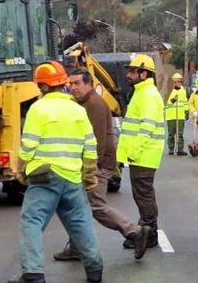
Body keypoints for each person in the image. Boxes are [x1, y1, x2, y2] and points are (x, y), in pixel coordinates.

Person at [7, 61, 103, 283]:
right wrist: (89, 176)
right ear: (63, 84)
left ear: (42, 86)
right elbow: (90, 147)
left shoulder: (38, 109)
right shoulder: (78, 110)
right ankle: (95, 269)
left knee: (32, 221)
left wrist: (20, 169)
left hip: (44, 177)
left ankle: (33, 274)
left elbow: (28, 146)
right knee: (80, 222)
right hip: (72, 177)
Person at [53, 68, 150, 263]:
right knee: (77, 205)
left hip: (99, 164)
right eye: (70, 84)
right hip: (88, 163)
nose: (73, 87)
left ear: (88, 84)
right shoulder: (81, 103)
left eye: (77, 83)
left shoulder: (94, 104)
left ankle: (135, 232)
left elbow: (97, 140)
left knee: (95, 206)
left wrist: (91, 168)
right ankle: (76, 247)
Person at [117, 54, 165, 249]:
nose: (128, 75)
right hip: (142, 155)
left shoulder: (148, 95)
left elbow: (147, 128)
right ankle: (148, 232)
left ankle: (148, 233)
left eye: (132, 71)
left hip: (144, 155)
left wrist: (134, 152)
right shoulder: (141, 92)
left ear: (143, 74)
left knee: (144, 195)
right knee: (142, 195)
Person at [164, 72, 188, 156]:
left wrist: (186, 111)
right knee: (171, 133)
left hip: (180, 115)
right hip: (171, 115)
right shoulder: (169, 91)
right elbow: (165, 102)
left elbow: (185, 102)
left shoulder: (183, 91)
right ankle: (171, 149)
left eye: (180, 81)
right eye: (176, 81)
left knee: (180, 134)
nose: (178, 83)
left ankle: (180, 149)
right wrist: (173, 100)